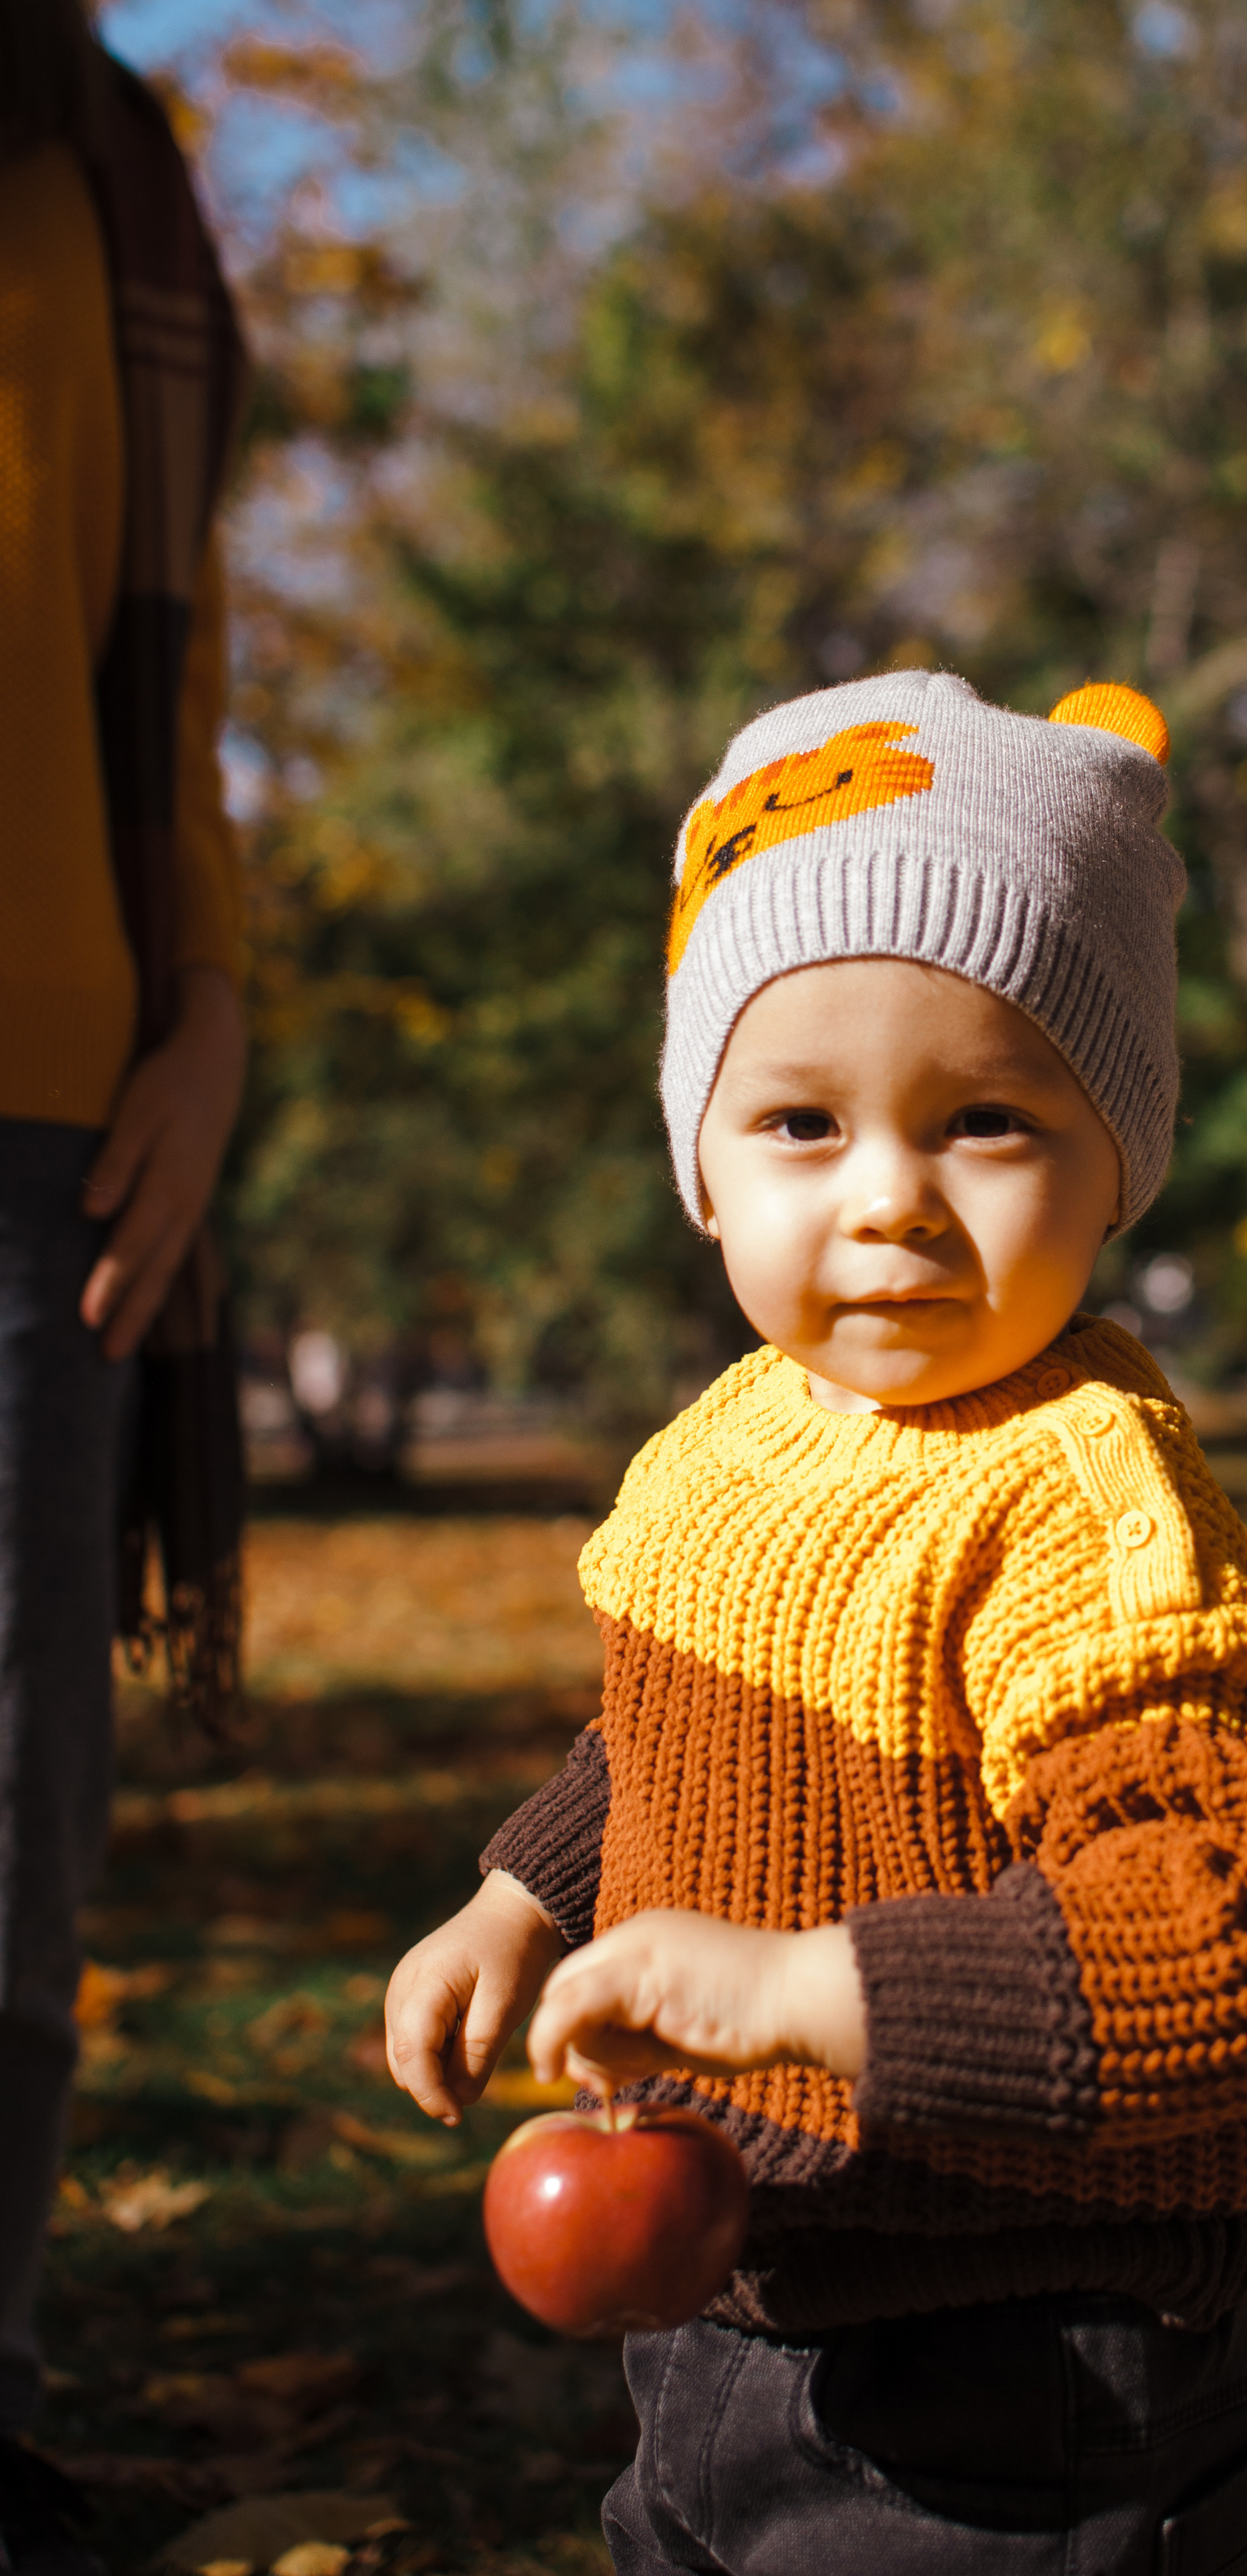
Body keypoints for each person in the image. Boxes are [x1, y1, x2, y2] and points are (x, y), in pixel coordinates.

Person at [387, 673, 1247, 2573]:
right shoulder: (733, 1445)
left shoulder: (1079, 1501)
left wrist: (806, 1993)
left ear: (1122, 1156)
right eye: (798, 1118)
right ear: (703, 1168)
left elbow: (1232, 1905)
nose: (888, 1202)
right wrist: (523, 1891)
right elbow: (676, 1741)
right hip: (730, 2287)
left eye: (988, 1121)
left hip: (1026, 2343)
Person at [0, 9, 247, 2568]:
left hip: (48, 1097)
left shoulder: (96, 164)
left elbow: (155, 674)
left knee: (4, 1820)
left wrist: (214, 1002)